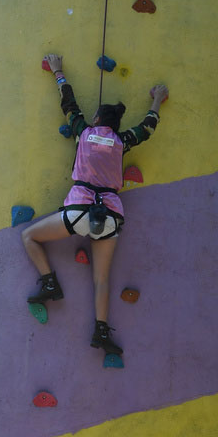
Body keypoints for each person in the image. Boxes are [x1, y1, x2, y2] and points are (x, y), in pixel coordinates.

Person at [21, 53, 169, 357]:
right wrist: (157, 100)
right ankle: (101, 332)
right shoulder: (122, 141)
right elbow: (148, 127)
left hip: (80, 210)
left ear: (97, 120)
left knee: (29, 237)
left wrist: (58, 71)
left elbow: (69, 103)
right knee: (102, 279)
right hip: (111, 215)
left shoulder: (83, 133)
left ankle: (50, 284)